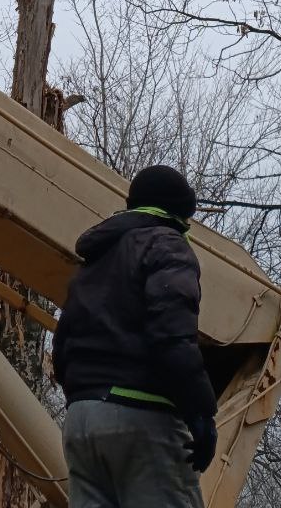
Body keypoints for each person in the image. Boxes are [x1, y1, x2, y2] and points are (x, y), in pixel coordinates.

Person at [53, 165, 217, 508]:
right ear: (179, 214)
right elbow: (171, 338)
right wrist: (200, 413)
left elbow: (62, 344)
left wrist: (86, 397)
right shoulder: (167, 244)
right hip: (140, 417)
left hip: (82, 423)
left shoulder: (95, 260)